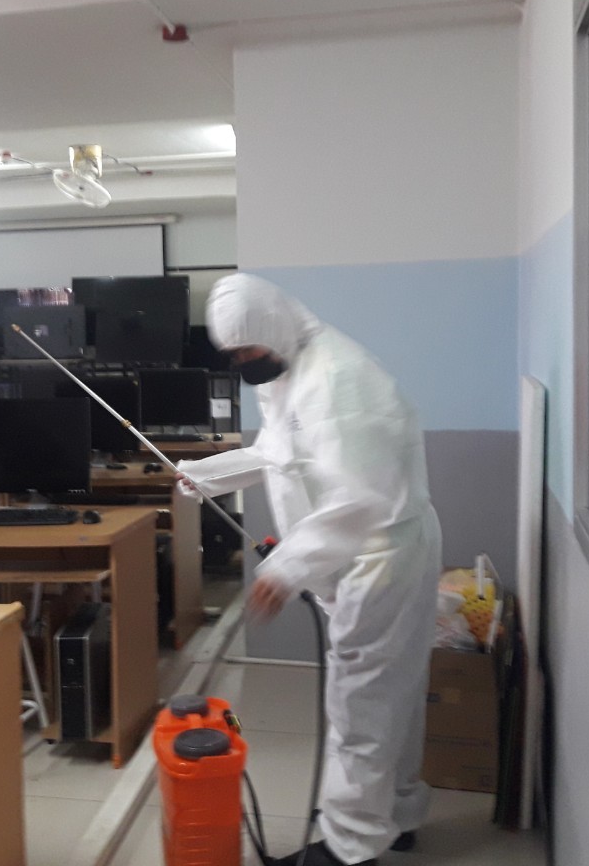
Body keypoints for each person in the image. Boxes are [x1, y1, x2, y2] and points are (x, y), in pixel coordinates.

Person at [176, 274, 443, 866]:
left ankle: (350, 847)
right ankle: (395, 816)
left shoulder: (339, 379)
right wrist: (206, 476)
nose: (242, 363)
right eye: (232, 355)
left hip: (378, 556)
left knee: (360, 707)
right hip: (355, 555)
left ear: (270, 326)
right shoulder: (289, 368)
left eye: (246, 350)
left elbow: (361, 498)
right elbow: (279, 452)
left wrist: (285, 570)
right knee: (390, 693)